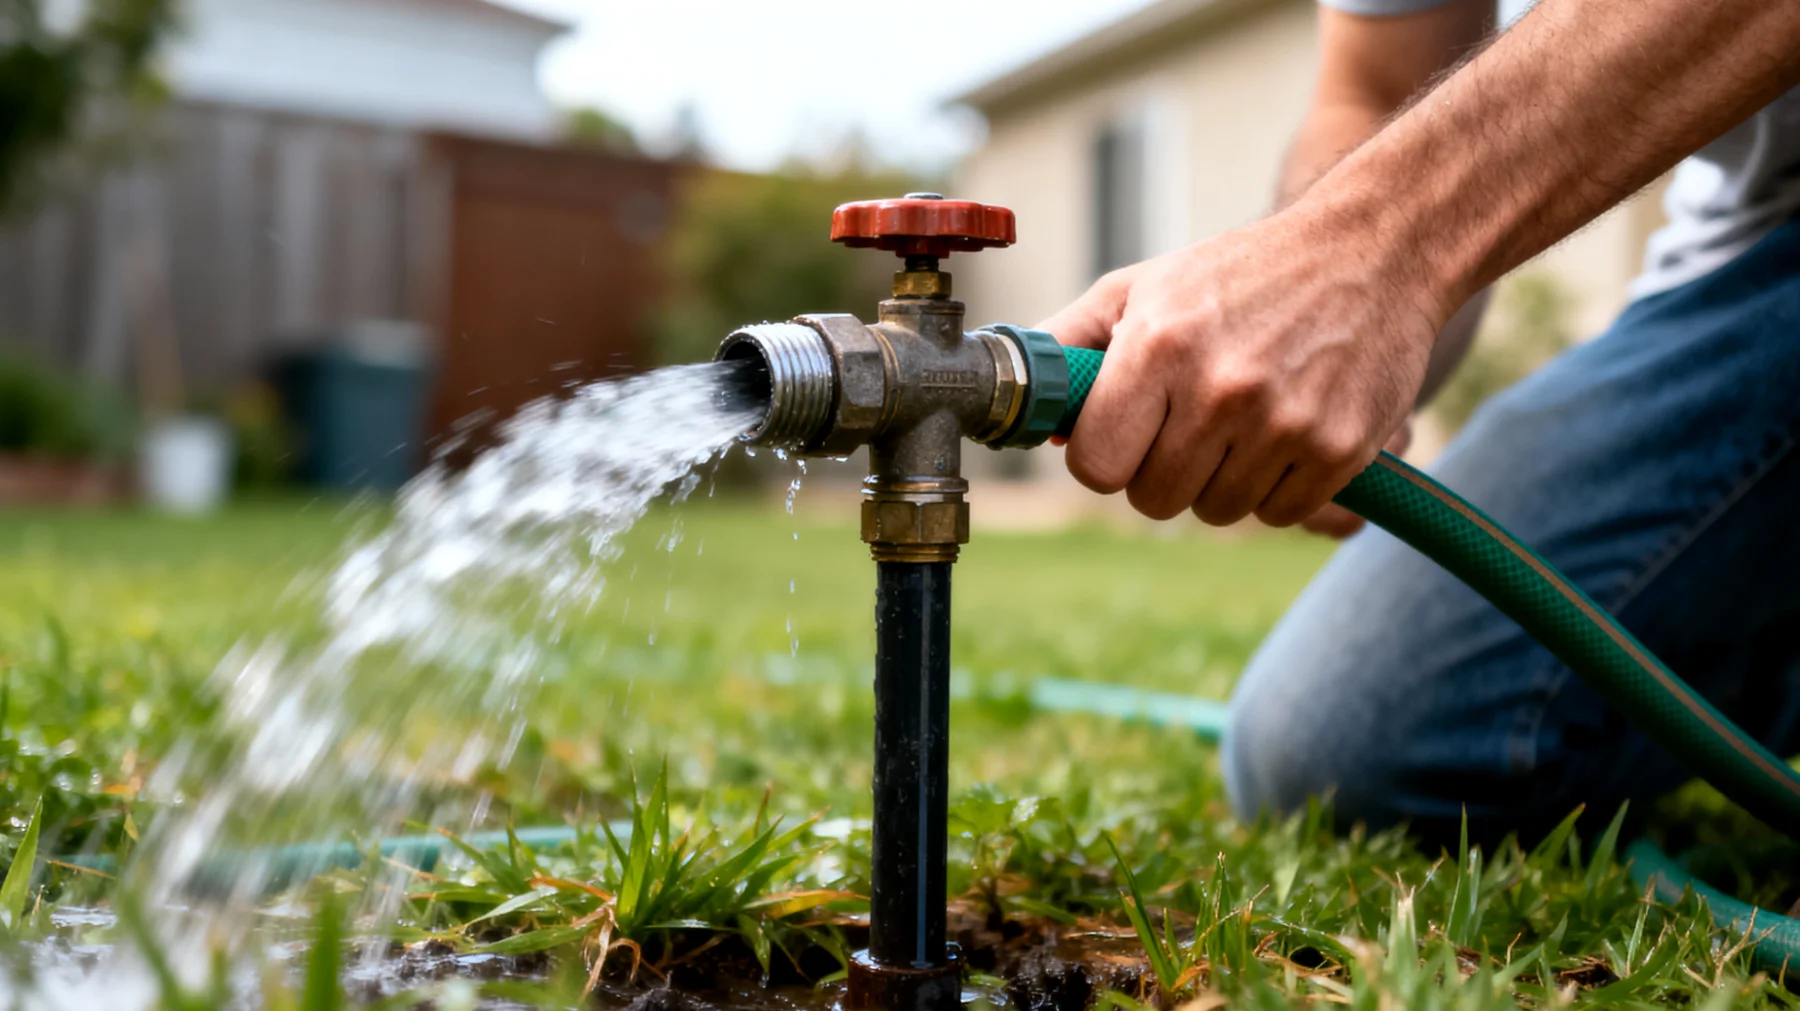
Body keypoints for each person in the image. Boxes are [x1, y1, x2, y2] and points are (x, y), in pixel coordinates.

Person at [1039, 0, 1800, 845]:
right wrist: (1328, 321)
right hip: (1754, 264)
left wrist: (1369, 248)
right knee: (1337, 746)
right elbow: (1374, 86)